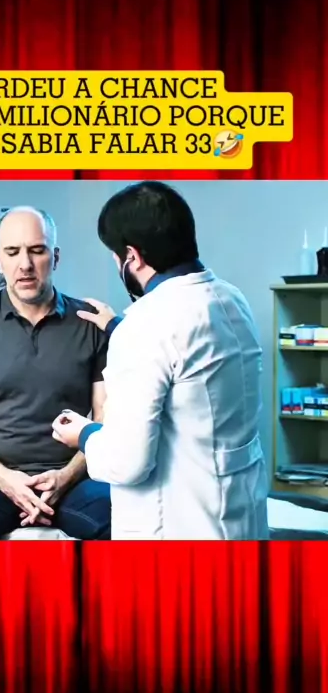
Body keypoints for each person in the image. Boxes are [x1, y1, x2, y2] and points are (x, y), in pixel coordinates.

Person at [52, 181, 269, 540]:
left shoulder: (146, 325)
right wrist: (118, 327)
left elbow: (127, 462)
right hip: (240, 519)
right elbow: (193, 364)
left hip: (178, 531)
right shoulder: (231, 299)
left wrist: (84, 434)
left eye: (116, 256)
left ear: (132, 257)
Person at [0, 206, 111, 540]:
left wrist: (67, 476)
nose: (25, 264)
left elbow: (106, 416)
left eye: (37, 250)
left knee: (123, 523)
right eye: (13, 252)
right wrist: (4, 478)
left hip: (72, 478)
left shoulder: (89, 323)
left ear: (55, 257)